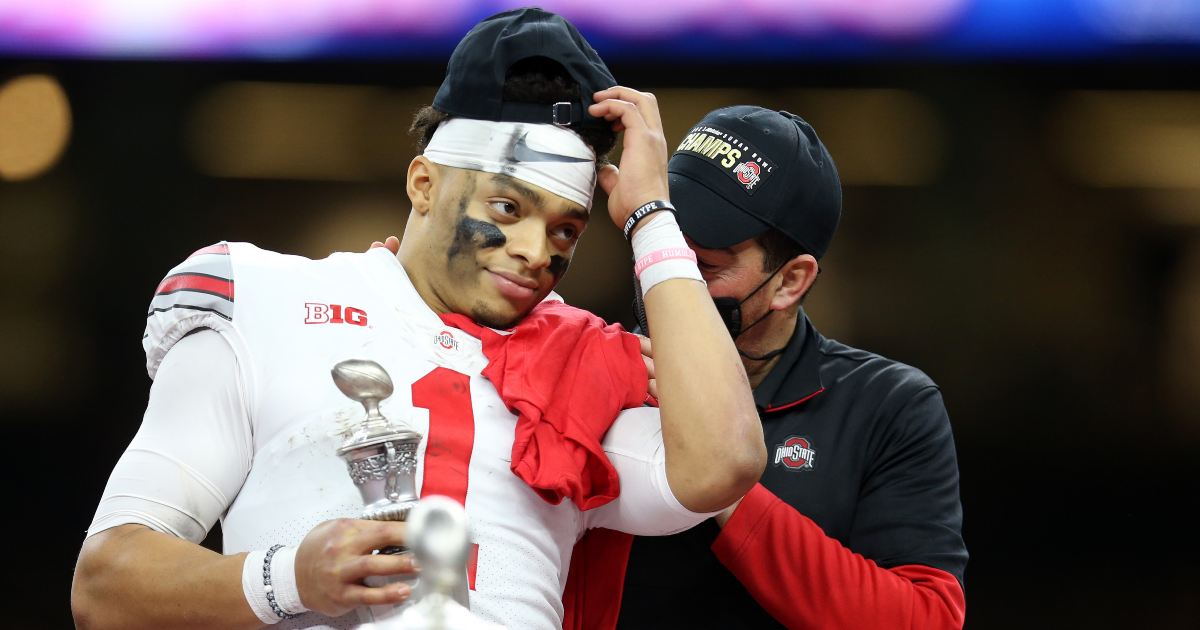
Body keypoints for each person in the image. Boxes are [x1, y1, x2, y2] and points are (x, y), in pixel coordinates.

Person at [70, 10, 764, 630]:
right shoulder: (262, 299)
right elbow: (106, 584)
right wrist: (290, 578)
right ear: (423, 183)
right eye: (506, 208)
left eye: (565, 231)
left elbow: (723, 463)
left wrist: (651, 217)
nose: (533, 251)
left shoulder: (582, 362)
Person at [615, 107, 969, 630]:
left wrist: (716, 461)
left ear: (790, 281)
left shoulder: (888, 406)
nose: (667, 278)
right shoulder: (595, 369)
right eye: (661, 249)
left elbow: (924, 620)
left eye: (704, 265)